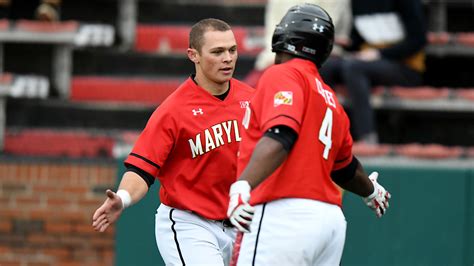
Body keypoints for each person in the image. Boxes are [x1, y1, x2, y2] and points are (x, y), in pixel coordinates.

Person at [226, 4, 391, 265]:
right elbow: (346, 169)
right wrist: (371, 191)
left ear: (284, 37)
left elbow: (282, 135)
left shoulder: (282, 74)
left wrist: (243, 184)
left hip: (283, 215)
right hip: (329, 222)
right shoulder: (331, 99)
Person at [92, 18, 254, 265]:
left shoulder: (252, 98)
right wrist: (123, 199)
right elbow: (142, 169)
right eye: (217, 51)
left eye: (232, 50)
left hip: (242, 223)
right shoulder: (173, 110)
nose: (228, 58)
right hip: (192, 225)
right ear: (194, 55)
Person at [320, 0, 427, 144]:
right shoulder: (358, 3)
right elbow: (358, 39)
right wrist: (342, 47)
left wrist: (380, 54)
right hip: (368, 62)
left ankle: (367, 136)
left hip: (404, 66)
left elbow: (418, 40)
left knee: (353, 68)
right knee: (326, 66)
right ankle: (329, 134)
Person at [244, 0, 352, 88]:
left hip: (321, 53)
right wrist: (276, 52)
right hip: (282, 51)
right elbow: (273, 30)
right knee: (250, 89)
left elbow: (323, 31)